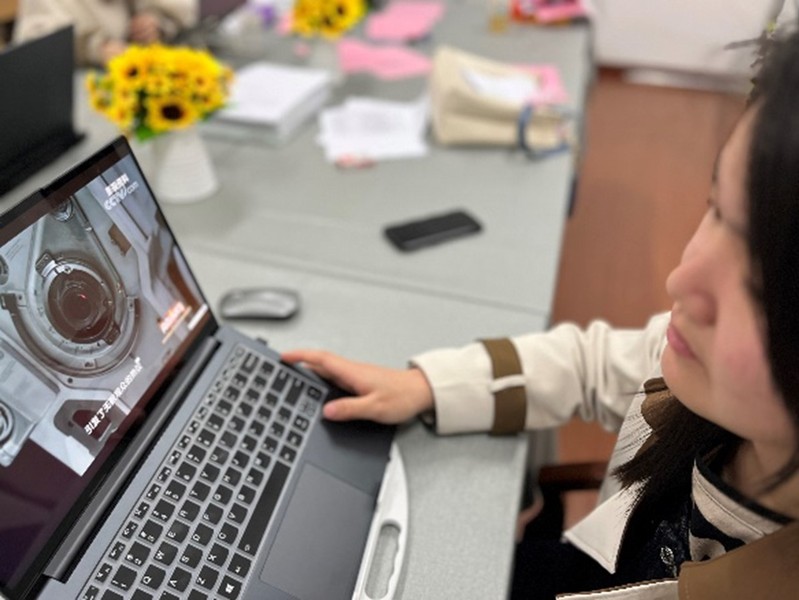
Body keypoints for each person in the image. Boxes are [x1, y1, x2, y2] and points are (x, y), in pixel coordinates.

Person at [282, 25, 799, 600]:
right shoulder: (708, 378)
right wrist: (427, 385)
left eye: (761, 281)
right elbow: (591, 363)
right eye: (715, 209)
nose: (682, 279)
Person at [12, 0, 198, 66]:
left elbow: (178, 8)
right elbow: (36, 44)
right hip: (75, 91)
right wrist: (94, 48)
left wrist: (155, 19)